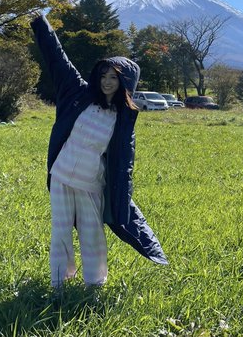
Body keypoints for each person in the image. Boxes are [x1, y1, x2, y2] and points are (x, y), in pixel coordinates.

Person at [31, 14, 168, 289]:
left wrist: (121, 199)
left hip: (90, 184)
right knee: (60, 232)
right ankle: (59, 284)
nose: (107, 82)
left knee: (92, 235)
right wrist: (41, 24)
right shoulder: (78, 94)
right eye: (103, 76)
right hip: (60, 176)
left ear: (125, 82)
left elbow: (123, 164)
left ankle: (94, 285)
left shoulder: (123, 118)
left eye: (113, 78)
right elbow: (58, 58)